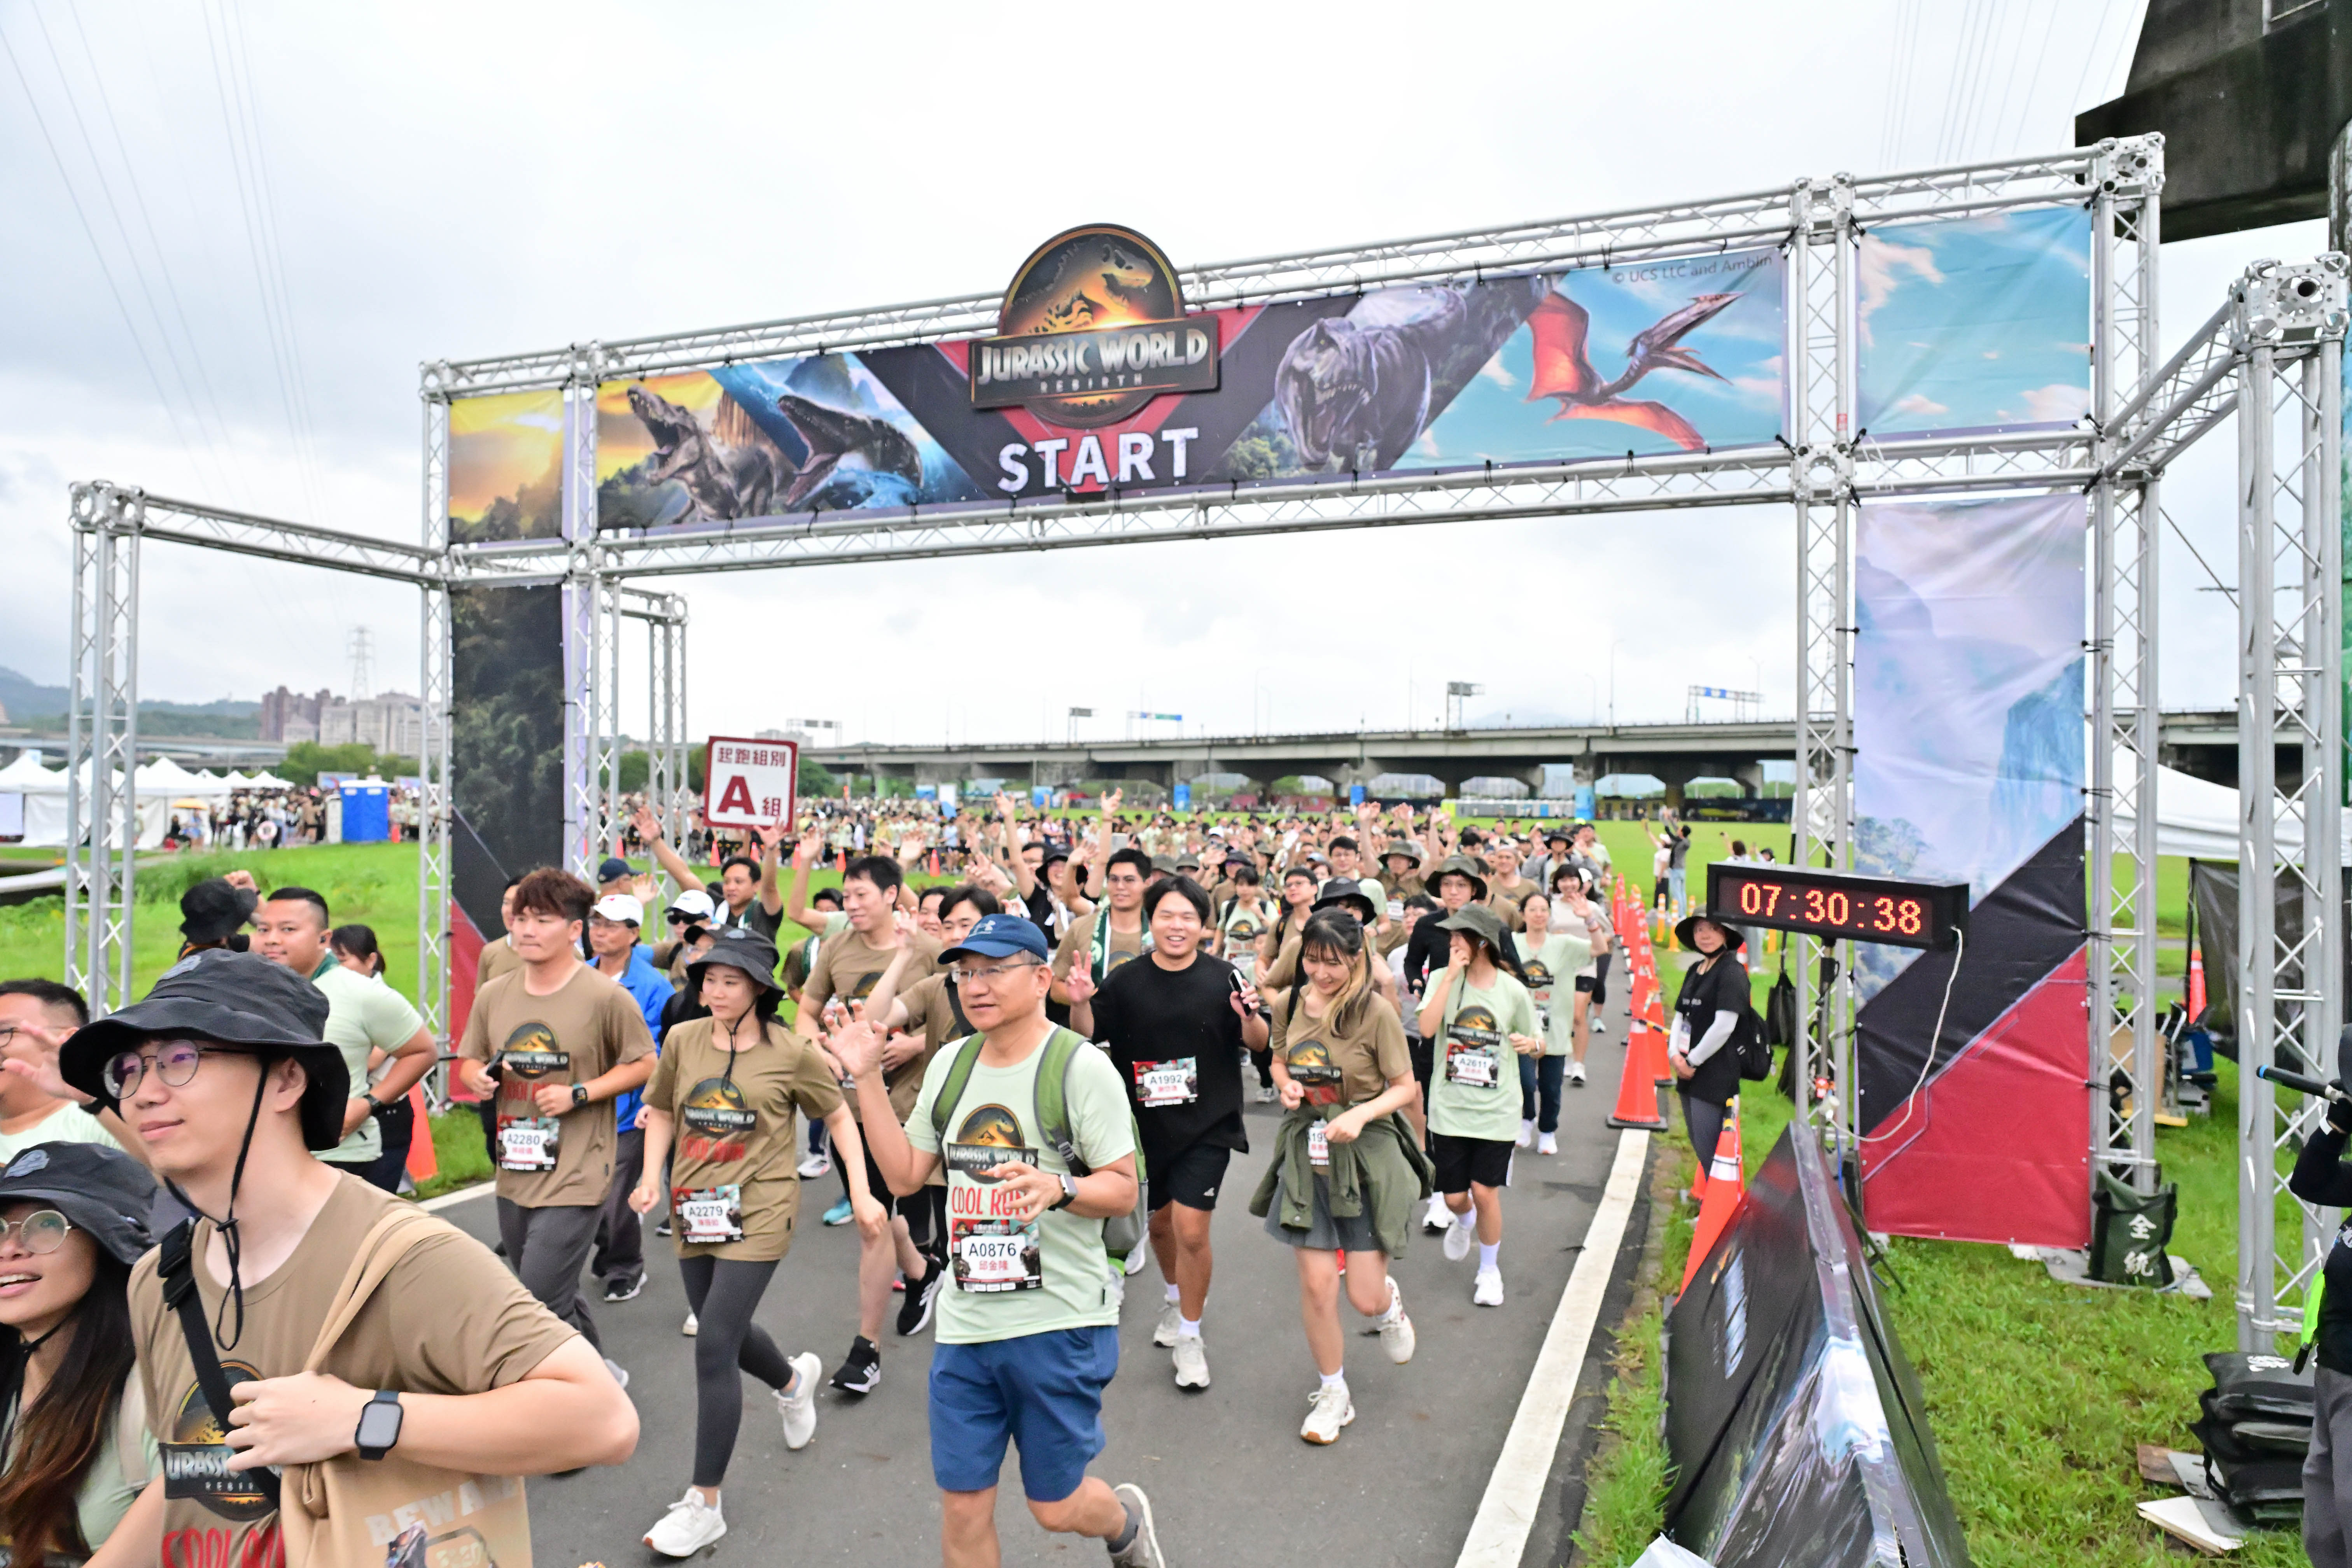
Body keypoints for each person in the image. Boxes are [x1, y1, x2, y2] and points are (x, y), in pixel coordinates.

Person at [63, 948, 638, 1566]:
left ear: (286, 1080)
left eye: (182, 1059)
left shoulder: (400, 1257)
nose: (143, 1094)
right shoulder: (160, 1278)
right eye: (128, 1070)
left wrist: (363, 1419)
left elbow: (602, 1420)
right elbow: (196, 1477)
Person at [830, 915, 1167, 1568]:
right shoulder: (950, 1063)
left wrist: (1058, 1187)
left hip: (1059, 1320)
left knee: (1055, 1507)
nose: (974, 986)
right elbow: (905, 1175)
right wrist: (865, 1078)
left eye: (993, 970)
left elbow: (1124, 1190)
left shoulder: (1080, 1067)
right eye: (964, 973)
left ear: (1041, 979)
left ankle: (1124, 1526)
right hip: (966, 1323)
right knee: (962, 1508)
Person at [630, 929, 880, 1557]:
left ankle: (704, 1503)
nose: (715, 991)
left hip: (763, 1207)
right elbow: (663, 1109)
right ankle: (792, 1382)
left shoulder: (791, 1051)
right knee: (730, 1331)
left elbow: (838, 1115)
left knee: (714, 1341)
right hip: (695, 1206)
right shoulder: (685, 1040)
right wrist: (649, 1177)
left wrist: (861, 1190)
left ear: (760, 990)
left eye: (730, 981)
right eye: (709, 979)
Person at [458, 867, 658, 1383]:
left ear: (574, 930)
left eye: (542, 920)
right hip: (517, 1165)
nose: (527, 929)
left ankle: (577, 1401)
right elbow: (469, 1058)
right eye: (521, 917)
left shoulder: (605, 997)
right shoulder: (495, 994)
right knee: (555, 1294)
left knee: (536, 1297)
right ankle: (603, 1377)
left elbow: (644, 1064)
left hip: (578, 1169)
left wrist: (579, 1094)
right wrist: (476, 1077)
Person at [1067, 876, 1265, 1391]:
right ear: (1151, 921)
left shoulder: (1225, 977)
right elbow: (1088, 1034)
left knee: (1191, 1229)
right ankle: (1176, 1299)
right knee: (1160, 1228)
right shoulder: (1126, 980)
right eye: (1167, 916)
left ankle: (1192, 1337)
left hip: (1209, 1124)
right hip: (1144, 1127)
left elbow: (1260, 1041)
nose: (1177, 926)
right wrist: (1081, 1001)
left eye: (1188, 917)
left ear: (1204, 925)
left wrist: (1249, 1017)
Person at [1255, 908, 1427, 1444]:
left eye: (1333, 962)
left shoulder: (1375, 1012)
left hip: (1366, 1150)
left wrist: (1361, 1114)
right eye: (1312, 960)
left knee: (1364, 1299)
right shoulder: (1288, 1003)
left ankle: (1387, 1304)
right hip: (1309, 1148)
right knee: (1317, 1285)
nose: (1322, 973)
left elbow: (1405, 1087)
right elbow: (1279, 1060)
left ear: (1356, 959)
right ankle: (1334, 1392)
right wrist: (1286, 1085)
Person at [798, 852, 941, 1395]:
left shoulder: (926, 950)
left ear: (891, 895)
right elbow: (807, 1012)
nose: (851, 905)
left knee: (875, 1218)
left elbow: (960, 1017)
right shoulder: (836, 947)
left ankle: (866, 1351)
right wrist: (825, 1052)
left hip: (911, 1107)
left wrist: (914, 1045)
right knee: (876, 1215)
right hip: (849, 1106)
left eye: (862, 895)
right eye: (846, 896)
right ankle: (922, 1271)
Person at [0, 1143, 158, 1564]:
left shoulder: (155, 1396)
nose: (9, 1248)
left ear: (109, 1245)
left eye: (45, 1225)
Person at [860, 884, 1004, 1338]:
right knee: (955, 1232)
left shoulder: (1012, 984)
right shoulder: (936, 987)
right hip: (948, 1135)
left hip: (1004, 1132)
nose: (957, 934)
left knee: (1000, 1231)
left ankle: (996, 1323)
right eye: (949, 926)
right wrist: (902, 956)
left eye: (967, 924)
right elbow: (874, 1018)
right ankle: (961, 1316)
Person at [251, 887, 437, 1194]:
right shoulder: (251, 990)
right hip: (265, 1156)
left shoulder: (360, 992)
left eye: (288, 930)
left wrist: (369, 1104)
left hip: (341, 1159)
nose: (272, 939)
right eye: (263, 929)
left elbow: (422, 1051)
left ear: (324, 939)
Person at [1415, 905, 1542, 1307]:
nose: (1452, 942)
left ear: (1482, 943)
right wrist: (1450, 977)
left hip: (1497, 1111)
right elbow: (1427, 1028)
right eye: (1450, 936)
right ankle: (1465, 1219)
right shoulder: (1442, 978)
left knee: (1486, 1193)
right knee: (1455, 1198)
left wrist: (1530, 1044)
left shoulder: (1512, 990)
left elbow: (1539, 1041)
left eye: (1459, 936)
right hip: (1450, 1110)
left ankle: (1489, 1271)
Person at [586, 893, 676, 1304]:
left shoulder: (655, 986)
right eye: (596, 923)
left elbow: (662, 1051)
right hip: (581, 1106)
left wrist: (651, 1104)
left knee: (616, 1195)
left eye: (611, 925)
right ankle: (609, 1248)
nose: (600, 932)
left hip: (630, 1111)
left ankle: (626, 1266)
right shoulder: (578, 975)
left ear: (634, 933)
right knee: (585, 1192)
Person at [0, 981, 139, 1160]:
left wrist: (93, 1103)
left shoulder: (97, 1122)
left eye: (3, 1032)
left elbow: (161, 1169)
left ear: (69, 1041)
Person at [1668, 913, 1751, 1179]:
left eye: (1713, 929)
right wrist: (1674, 1054)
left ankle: (1720, 1203)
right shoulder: (1696, 969)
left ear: (1725, 934)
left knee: (1711, 1150)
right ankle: (1710, 1202)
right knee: (1699, 1145)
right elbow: (1680, 1016)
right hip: (1687, 1070)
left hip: (1715, 1073)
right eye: (1699, 930)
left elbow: (1725, 1025)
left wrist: (1692, 1061)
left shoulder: (1732, 972)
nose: (1705, 935)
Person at [1512, 893, 1590, 1156]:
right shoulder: (1512, 943)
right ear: (1523, 914)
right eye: (1533, 909)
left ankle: (1547, 1131)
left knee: (1550, 1087)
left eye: (1544, 910)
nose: (1539, 914)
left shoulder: (1563, 944)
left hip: (1554, 1027)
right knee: (1524, 1082)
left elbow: (1599, 949)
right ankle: (1526, 1119)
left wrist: (1590, 920)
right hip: (1521, 1027)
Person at [639, 807, 784, 941]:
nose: (731, 887)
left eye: (739, 882)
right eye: (727, 882)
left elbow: (770, 887)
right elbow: (683, 875)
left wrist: (771, 850)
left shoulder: (763, 912)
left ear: (756, 886)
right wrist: (656, 842)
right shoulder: (715, 905)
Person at [1053, 846, 1153, 1003]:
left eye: (1129, 880)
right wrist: (1086, 999)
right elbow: (1056, 987)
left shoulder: (1159, 932)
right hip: (1090, 1017)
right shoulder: (1081, 927)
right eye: (1114, 880)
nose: (1120, 887)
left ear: (1147, 883)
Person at [1551, 866, 1614, 1086]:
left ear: (1580, 883)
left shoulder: (1592, 907)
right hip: (1558, 969)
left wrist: (1591, 946)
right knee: (1562, 1015)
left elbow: (1610, 932)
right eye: (1563, 880)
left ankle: (1579, 1064)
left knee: (1578, 1015)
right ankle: (1567, 1055)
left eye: (1572, 880)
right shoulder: (1550, 907)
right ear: (1557, 884)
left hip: (1585, 967)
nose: (1568, 884)